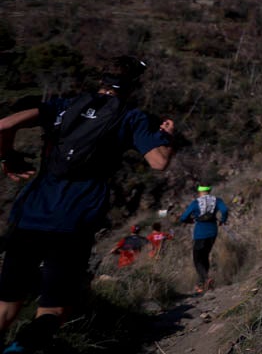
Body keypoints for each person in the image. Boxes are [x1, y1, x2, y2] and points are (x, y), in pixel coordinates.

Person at [0, 57, 175, 354]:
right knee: (54, 309)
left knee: (5, 305)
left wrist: (9, 158)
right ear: (133, 87)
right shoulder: (131, 117)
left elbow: (3, 124)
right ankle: (22, 348)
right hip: (73, 223)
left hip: (30, 214)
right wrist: (167, 138)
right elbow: (159, 162)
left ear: (101, 81)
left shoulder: (63, 106)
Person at [177, 185, 228, 294]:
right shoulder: (216, 200)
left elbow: (183, 217)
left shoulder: (196, 202)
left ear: (200, 192)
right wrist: (222, 220)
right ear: (209, 191)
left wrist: (190, 221)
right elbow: (224, 210)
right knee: (205, 256)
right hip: (213, 232)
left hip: (200, 233)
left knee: (197, 259)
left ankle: (205, 279)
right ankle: (203, 284)